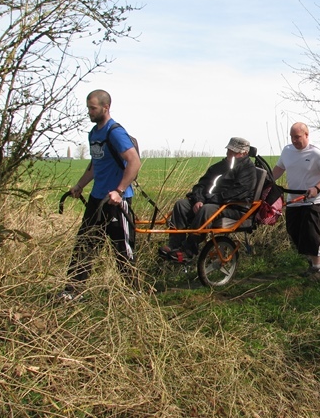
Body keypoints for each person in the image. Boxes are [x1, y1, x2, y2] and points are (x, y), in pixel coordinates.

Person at [61, 89, 141, 300]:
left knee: (122, 249)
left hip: (116, 200)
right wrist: (79, 186)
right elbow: (95, 165)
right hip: (97, 199)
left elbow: (134, 161)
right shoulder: (94, 134)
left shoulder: (114, 132)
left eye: (93, 108)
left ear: (105, 108)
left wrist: (119, 190)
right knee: (85, 243)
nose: (89, 112)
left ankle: (133, 292)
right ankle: (72, 291)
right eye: (88, 108)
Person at [159, 137, 256, 262]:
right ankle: (174, 245)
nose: (230, 154)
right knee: (181, 205)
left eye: (234, 152)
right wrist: (198, 199)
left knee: (206, 209)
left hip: (234, 207)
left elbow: (239, 192)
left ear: (244, 153)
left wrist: (210, 200)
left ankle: (188, 250)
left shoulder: (248, 169)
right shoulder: (218, 167)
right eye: (229, 151)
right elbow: (201, 185)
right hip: (211, 202)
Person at [272, 123, 320, 280]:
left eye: (297, 137)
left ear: (307, 135)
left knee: (310, 232)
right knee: (293, 231)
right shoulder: (287, 151)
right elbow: (279, 169)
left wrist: (317, 187)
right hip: (294, 199)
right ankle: (311, 260)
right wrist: (267, 182)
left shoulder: (318, 152)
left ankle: (318, 269)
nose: (294, 140)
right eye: (292, 137)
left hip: (314, 199)